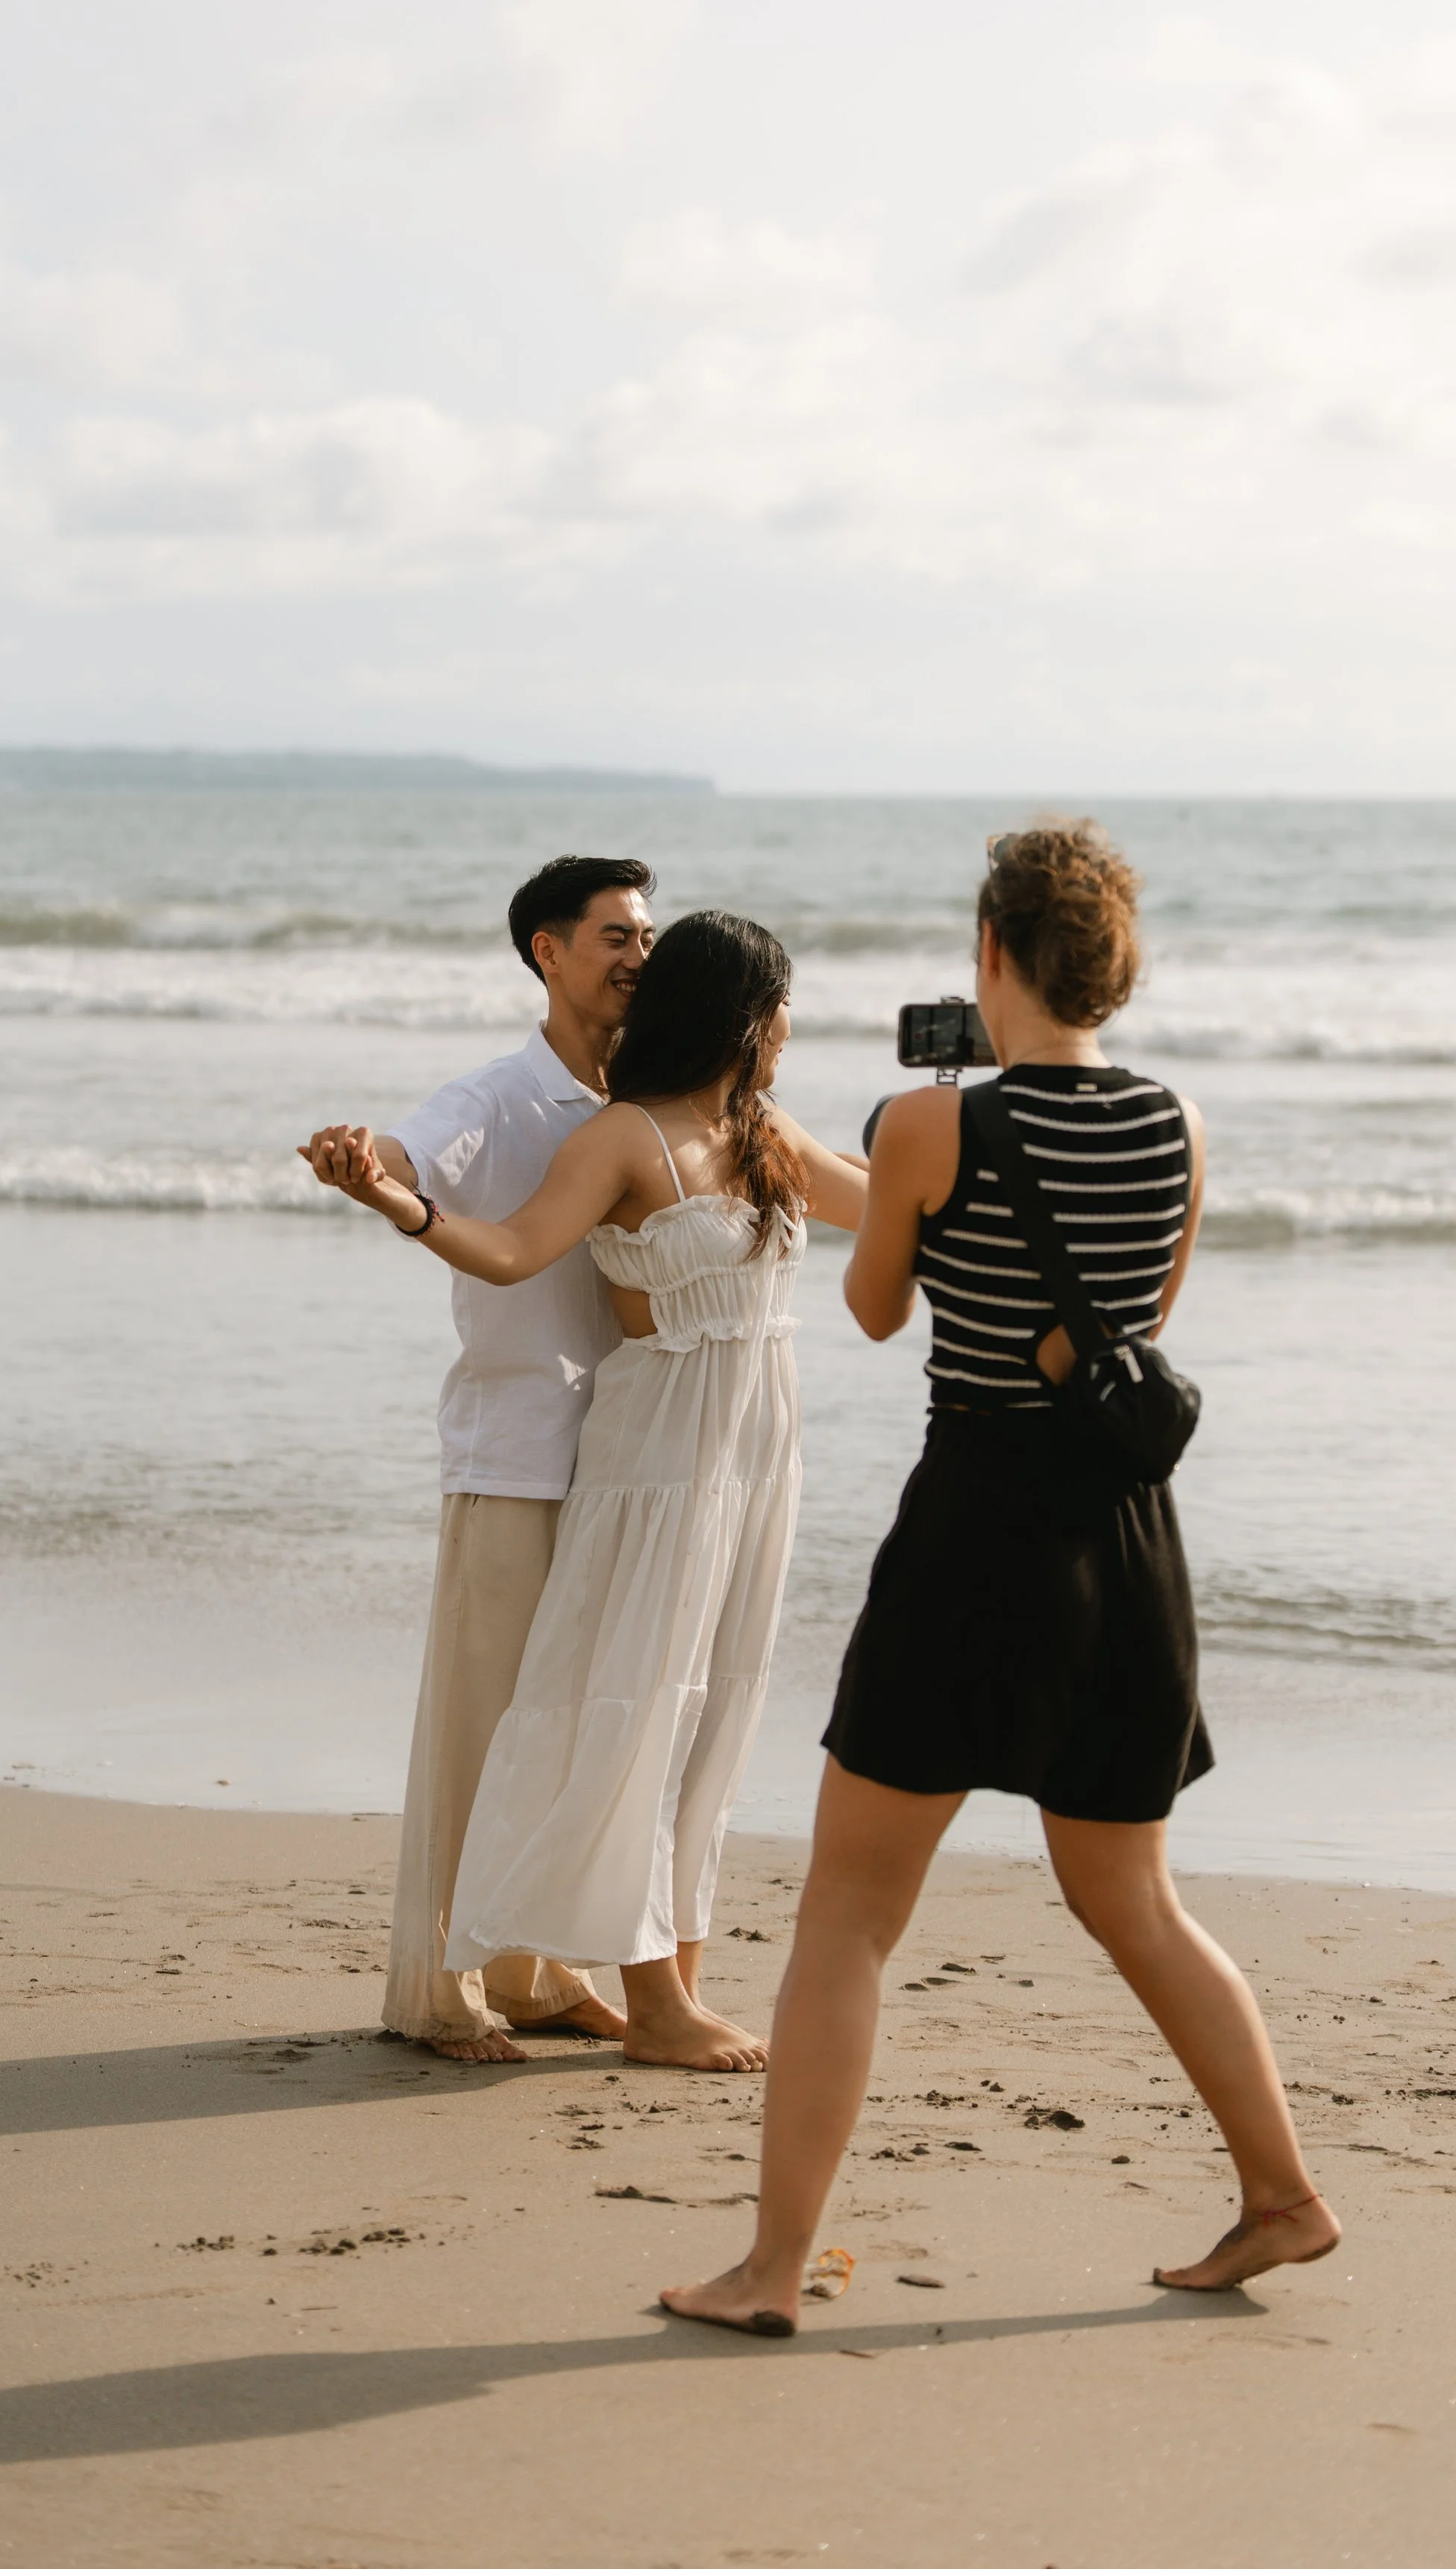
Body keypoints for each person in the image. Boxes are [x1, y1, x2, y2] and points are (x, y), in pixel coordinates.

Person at [662, 822, 1339, 2330]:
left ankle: (772, 2267)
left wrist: (903, 1162)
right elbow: (1133, 1320)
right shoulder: (1177, 1122)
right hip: (1122, 1540)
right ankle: (1280, 2194)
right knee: (1135, 1902)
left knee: (847, 1912)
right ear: (1109, 966)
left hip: (974, 1532)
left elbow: (875, 1308)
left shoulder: (925, 1121)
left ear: (987, 957)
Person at [308, 910, 867, 2071]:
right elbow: (514, 1250)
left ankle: (683, 1989)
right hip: (658, 1456)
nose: (791, 1030)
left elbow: (880, 1202)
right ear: (746, 1016)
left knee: (716, 1713)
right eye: (782, 1009)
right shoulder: (622, 1139)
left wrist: (969, 1117)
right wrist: (397, 1203)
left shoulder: (764, 1131)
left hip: (759, 1451)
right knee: (641, 1713)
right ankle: (648, 1998)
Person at [300, 853, 654, 2065]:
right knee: (481, 1727)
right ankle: (444, 1986)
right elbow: (409, 1157)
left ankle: (536, 1966)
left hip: (627, 1462)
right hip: (513, 1454)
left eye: (646, 934)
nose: (636, 956)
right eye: (614, 934)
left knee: (568, 1728)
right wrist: (370, 1168)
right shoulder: (497, 1095)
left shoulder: (647, 1103)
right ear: (548, 952)